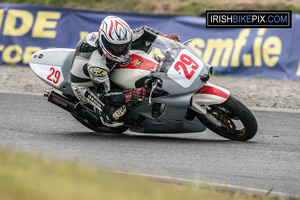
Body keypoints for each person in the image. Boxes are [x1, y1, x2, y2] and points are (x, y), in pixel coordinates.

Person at [70, 15, 180, 127]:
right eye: (115, 47)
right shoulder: (97, 65)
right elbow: (105, 95)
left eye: (123, 46)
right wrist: (131, 94)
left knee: (144, 42)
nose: (120, 50)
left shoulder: (120, 38)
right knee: (113, 117)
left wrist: (167, 40)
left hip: (109, 67)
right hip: (87, 86)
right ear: (105, 42)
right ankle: (105, 115)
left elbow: (144, 31)